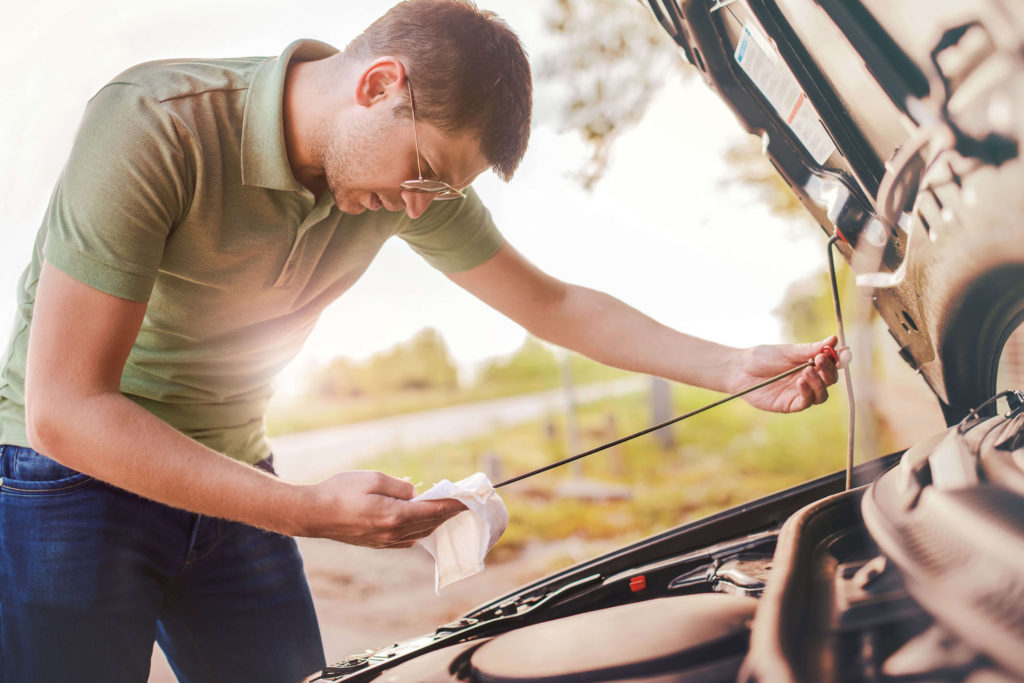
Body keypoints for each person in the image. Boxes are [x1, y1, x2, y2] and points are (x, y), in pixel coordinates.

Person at [0, 0, 842, 680]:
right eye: (422, 171)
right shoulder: (155, 124)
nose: (418, 205)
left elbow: (553, 304)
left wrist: (732, 365)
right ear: (379, 84)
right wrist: (307, 511)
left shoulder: (401, 182)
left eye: (438, 189)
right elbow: (68, 409)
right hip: (68, 483)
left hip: (234, 472)